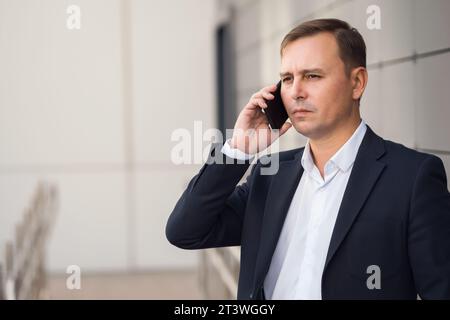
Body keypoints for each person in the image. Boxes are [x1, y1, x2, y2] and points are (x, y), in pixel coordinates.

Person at [166, 18, 450, 299]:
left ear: (357, 82)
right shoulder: (270, 174)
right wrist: (240, 148)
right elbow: (185, 231)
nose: (296, 92)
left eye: (312, 76)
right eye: (287, 79)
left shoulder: (412, 178)